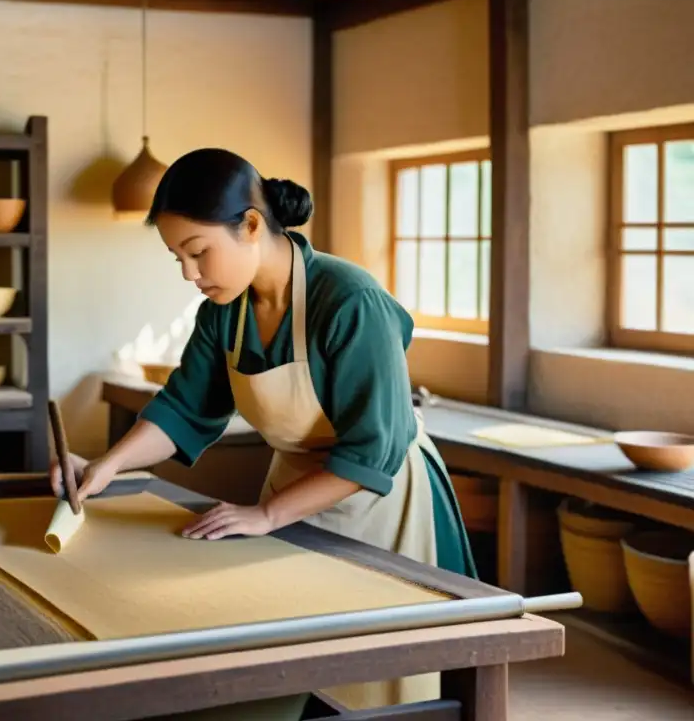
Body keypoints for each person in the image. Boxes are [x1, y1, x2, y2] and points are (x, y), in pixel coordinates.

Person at [49, 147, 477, 709]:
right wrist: (103, 466)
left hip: (382, 497)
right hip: (292, 486)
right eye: (177, 257)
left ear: (251, 225)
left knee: (380, 676)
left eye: (198, 252)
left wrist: (267, 514)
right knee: (296, 660)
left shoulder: (351, 301)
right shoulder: (225, 312)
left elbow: (373, 450)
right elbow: (184, 408)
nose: (190, 274)